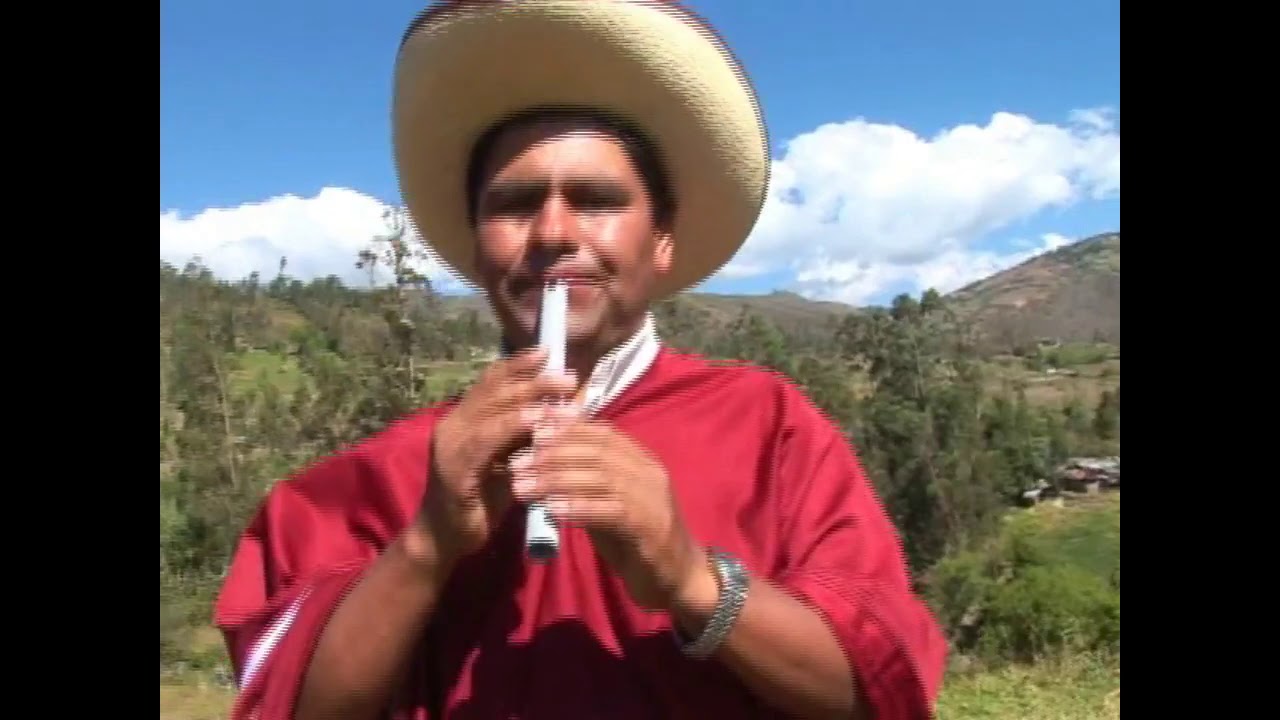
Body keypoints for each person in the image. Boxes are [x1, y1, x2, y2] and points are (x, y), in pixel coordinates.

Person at [213, 1, 948, 719]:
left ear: (662, 242)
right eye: (514, 204)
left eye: (596, 199)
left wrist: (691, 579)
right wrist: (429, 542)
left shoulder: (770, 429)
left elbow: (880, 693)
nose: (553, 231)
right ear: (475, 248)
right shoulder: (373, 479)